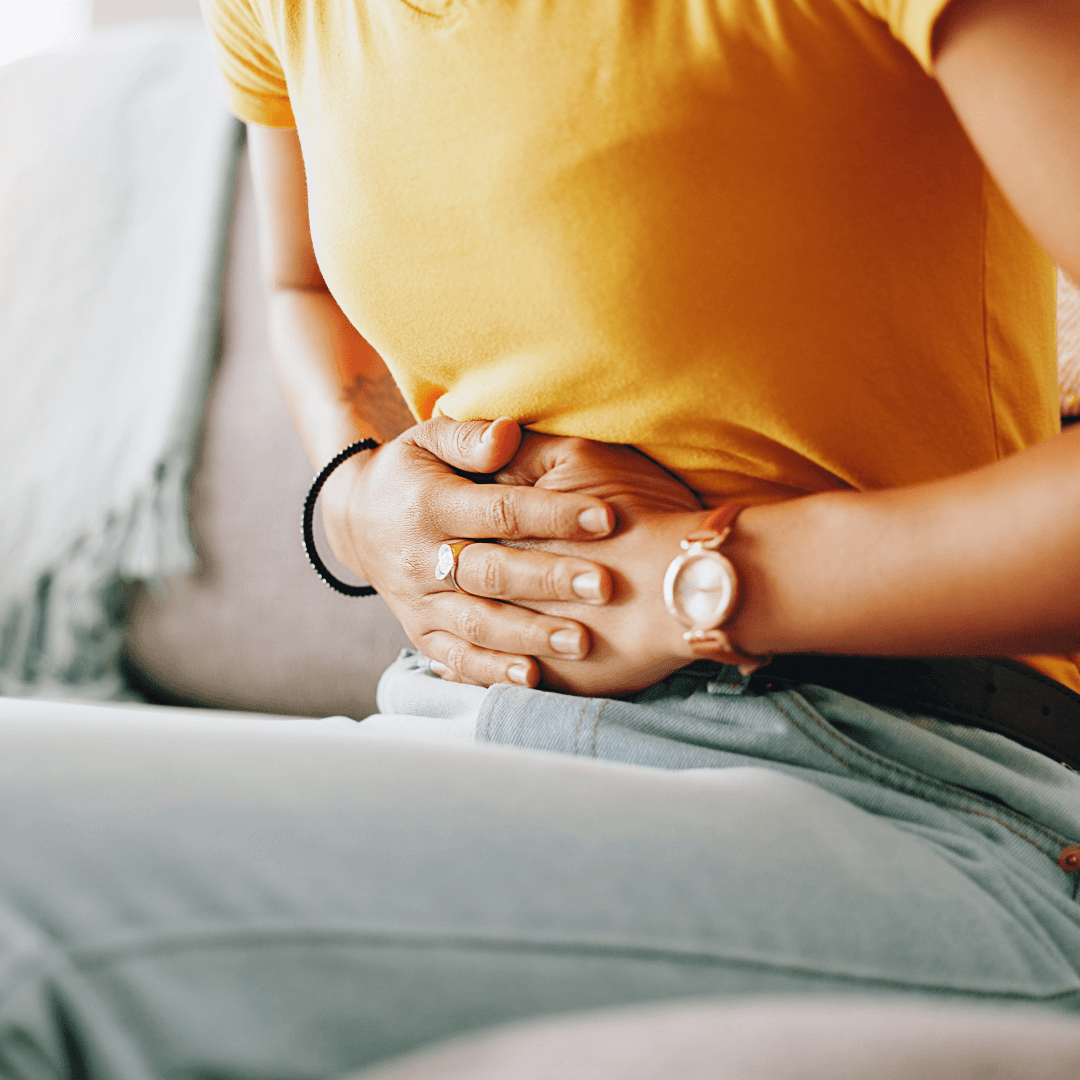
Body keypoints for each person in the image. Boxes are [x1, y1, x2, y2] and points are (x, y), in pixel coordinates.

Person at [1, 0, 1080, 1076]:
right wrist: (358, 498)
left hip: (907, 785)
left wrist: (711, 582)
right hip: (456, 724)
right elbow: (303, 287)